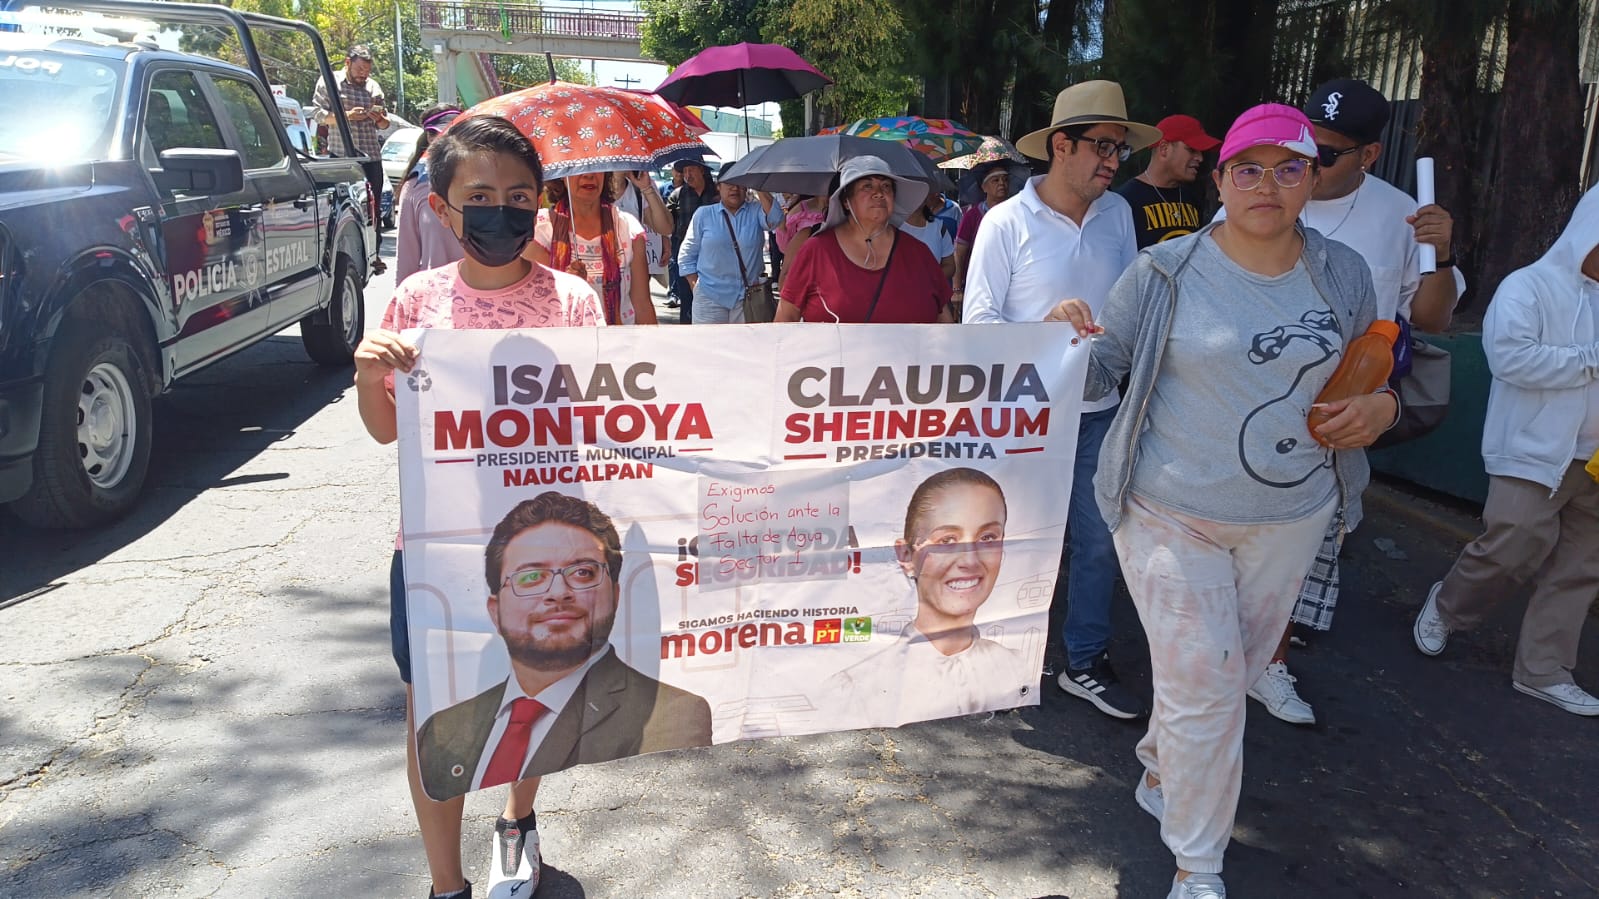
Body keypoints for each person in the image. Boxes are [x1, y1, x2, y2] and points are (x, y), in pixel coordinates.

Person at [1047, 103, 1397, 899]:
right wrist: (1062, 338)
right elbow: (1103, 373)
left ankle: (1160, 766)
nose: (1265, 184)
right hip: (1169, 510)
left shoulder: (1342, 272)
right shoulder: (1166, 269)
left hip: (1291, 515)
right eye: (1247, 168)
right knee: (1205, 687)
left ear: (1313, 178)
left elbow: (1371, 368)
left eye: (1287, 168)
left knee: (1213, 680)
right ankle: (1196, 867)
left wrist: (1383, 409)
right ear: (1221, 178)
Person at [352, 115, 605, 899]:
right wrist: (368, 372)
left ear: (541, 205)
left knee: (534, 691)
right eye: (482, 195)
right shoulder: (415, 303)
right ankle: (444, 883)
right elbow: (386, 427)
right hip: (435, 548)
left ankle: (517, 819)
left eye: (520, 195)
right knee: (434, 714)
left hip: (545, 550)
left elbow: (602, 420)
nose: (502, 210)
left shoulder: (572, 301)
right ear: (441, 206)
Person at [1231, 77, 1466, 725]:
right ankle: (1212, 654)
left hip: (1332, 414)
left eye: (1326, 154)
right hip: (1241, 402)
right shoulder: (1261, 191)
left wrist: (1441, 256)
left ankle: (1268, 663)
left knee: (1300, 544)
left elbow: (1434, 318)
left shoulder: (1400, 217)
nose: (1305, 162)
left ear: (1367, 155)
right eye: (1302, 144)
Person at [963, 80, 1155, 720]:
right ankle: (999, 658)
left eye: (1119, 151)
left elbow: (1127, 310)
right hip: (1021, 421)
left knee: (1098, 541)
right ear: (1060, 146)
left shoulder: (1119, 215)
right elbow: (977, 327)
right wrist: (1043, 328)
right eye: (1102, 146)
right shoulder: (1004, 222)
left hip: (1099, 414)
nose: (1111, 161)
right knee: (1011, 539)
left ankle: (1085, 660)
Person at [1412, 186, 1599, 718]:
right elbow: (1511, 359)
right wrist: (1591, 359)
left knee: (1584, 567)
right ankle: (1448, 605)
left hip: (1596, 462)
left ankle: (1544, 671)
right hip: (1533, 453)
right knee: (1513, 545)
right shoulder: (1529, 287)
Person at [415, 491, 714, 794]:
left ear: (615, 594)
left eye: (583, 572)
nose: (558, 592)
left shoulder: (671, 720)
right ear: (495, 610)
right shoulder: (440, 731)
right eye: (531, 576)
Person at [825, 468, 1032, 725]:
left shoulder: (1015, 668)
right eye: (946, 541)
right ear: (906, 557)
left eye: (987, 537)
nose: (969, 560)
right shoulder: (859, 686)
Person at [775, 156, 953, 324]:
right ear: (846, 201)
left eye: (886, 186)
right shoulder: (816, 251)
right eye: (867, 186)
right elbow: (785, 319)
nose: (879, 193)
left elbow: (944, 321)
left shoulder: (919, 254)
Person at [525, 172, 658, 325]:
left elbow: (642, 306)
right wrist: (570, 287)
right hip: (562, 344)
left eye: (596, 168)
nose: (589, 176)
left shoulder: (627, 227)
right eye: (577, 168)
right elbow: (534, 305)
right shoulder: (541, 230)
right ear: (561, 174)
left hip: (619, 343)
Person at [676, 179, 782, 324]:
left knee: (748, 346)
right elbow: (686, 256)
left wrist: (758, 186)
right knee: (709, 346)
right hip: (709, 298)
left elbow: (776, 220)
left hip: (749, 299)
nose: (735, 188)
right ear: (718, 187)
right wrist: (696, 289)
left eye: (740, 183)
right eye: (729, 184)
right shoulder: (704, 214)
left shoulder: (756, 210)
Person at [1117, 114, 1220, 248]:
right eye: (1192, 150)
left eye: (1200, 152)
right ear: (1164, 149)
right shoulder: (1125, 201)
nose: (1200, 158)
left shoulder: (1191, 198)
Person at [394, 104, 463, 282]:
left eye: (451, 131)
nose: (444, 139)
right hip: (435, 299)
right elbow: (406, 260)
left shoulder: (488, 182)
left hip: (486, 298)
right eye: (436, 134)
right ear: (428, 137)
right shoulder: (415, 187)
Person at [950, 162, 1012, 314]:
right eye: (995, 180)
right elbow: (959, 253)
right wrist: (957, 289)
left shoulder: (1015, 214)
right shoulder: (972, 215)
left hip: (1009, 285)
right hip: (977, 284)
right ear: (984, 188)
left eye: (1005, 179)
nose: (1002, 184)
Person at [312, 44, 388, 160]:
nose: (363, 74)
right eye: (360, 69)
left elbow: (385, 124)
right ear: (348, 62)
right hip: (341, 156)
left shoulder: (374, 86)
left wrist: (379, 118)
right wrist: (347, 116)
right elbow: (318, 115)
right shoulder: (329, 81)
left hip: (371, 157)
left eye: (367, 70)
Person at [666, 160, 718, 322]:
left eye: (691, 170)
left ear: (701, 170)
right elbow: (667, 226)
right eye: (685, 171)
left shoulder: (717, 193)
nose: (687, 175)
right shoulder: (677, 194)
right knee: (687, 301)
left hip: (713, 257)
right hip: (686, 257)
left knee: (713, 303)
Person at [609, 170, 674, 288]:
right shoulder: (594, 182)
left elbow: (666, 228)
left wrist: (647, 189)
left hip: (633, 272)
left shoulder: (639, 183)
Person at [899, 192, 958, 282]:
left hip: (931, 293)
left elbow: (950, 265)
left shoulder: (939, 227)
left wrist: (929, 279)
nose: (917, 197)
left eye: (921, 191)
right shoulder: (892, 227)